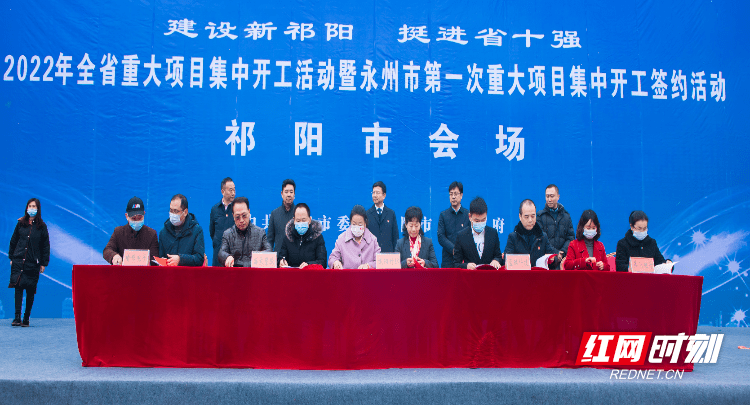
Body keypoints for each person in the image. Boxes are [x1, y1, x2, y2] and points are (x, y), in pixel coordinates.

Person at [8, 198, 50, 327]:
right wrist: (12, 257)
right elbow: (13, 241)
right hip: (18, 261)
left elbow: (45, 246)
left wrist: (43, 263)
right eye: (30, 206)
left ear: (38, 209)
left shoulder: (42, 227)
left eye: (34, 206)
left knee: (31, 290)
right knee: (18, 288)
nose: (32, 208)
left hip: (33, 263)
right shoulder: (20, 223)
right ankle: (17, 318)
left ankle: (26, 318)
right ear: (26, 208)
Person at [103, 196, 159, 265]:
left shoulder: (151, 234)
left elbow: (155, 258)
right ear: (127, 216)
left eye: (139, 218)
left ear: (144, 214)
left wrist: (149, 262)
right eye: (133, 218)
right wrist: (114, 256)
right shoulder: (118, 232)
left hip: (144, 271)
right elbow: (107, 251)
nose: (137, 221)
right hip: (123, 271)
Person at [505, 199, 560, 268]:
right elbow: (507, 261)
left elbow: (551, 258)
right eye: (526, 217)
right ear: (520, 216)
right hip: (520, 274)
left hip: (538, 274)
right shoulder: (513, 237)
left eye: (533, 216)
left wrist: (553, 259)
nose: (530, 220)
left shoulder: (543, 236)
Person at [219, 197, 271, 267]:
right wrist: (227, 257)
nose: (241, 220)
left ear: (249, 212)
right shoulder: (228, 234)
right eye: (237, 217)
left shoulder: (260, 233)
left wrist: (257, 258)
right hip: (235, 272)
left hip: (254, 271)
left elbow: (269, 250)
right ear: (233, 216)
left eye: (244, 216)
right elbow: (221, 253)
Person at [452, 197, 503, 269]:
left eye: (483, 220)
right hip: (470, 275)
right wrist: (466, 266)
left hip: (489, 274)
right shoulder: (461, 236)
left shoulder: (493, 233)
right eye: (477, 221)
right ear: (470, 217)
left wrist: (496, 260)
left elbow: (498, 256)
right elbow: (456, 264)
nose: (480, 223)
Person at [158, 194, 205, 266]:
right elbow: (160, 256)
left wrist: (181, 259)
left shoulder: (196, 231)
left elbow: (199, 258)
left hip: (188, 272)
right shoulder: (163, 232)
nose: (172, 214)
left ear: (185, 212)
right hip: (169, 272)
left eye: (176, 211)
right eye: (171, 210)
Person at [329, 205, 381, 269]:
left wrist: (368, 266)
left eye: (360, 224)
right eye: (354, 224)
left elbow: (379, 262)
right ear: (350, 223)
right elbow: (332, 258)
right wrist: (335, 262)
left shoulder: (373, 240)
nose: (357, 227)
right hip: (347, 275)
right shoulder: (342, 239)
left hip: (367, 275)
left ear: (365, 224)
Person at [278, 203, 327, 268]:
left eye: (304, 220)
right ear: (294, 220)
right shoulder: (288, 237)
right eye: (298, 221)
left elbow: (322, 262)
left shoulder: (317, 237)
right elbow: (281, 257)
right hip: (292, 273)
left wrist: (309, 265)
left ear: (309, 220)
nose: (301, 223)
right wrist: (281, 261)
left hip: (310, 273)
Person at [536, 184, 575, 262]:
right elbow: (540, 239)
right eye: (547, 196)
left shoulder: (566, 216)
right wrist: (556, 253)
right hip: (547, 259)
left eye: (552, 196)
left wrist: (562, 252)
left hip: (564, 259)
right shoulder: (540, 216)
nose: (549, 199)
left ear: (558, 197)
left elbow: (570, 238)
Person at [437, 181, 471, 268]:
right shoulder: (443, 215)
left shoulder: (468, 215)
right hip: (448, 260)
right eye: (451, 194)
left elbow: (471, 236)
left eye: (456, 194)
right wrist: (453, 249)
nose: (453, 197)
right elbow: (441, 236)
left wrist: (461, 251)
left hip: (464, 260)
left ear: (461, 195)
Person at [209, 177, 236, 266]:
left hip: (233, 256)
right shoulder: (215, 209)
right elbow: (212, 231)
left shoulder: (236, 209)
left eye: (234, 190)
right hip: (218, 255)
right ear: (222, 191)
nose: (233, 193)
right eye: (230, 190)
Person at [366, 181, 399, 252]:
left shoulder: (391, 213)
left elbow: (395, 237)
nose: (374, 195)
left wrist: (395, 254)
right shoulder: (367, 214)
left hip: (388, 255)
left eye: (377, 193)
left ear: (384, 195)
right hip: (372, 254)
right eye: (373, 192)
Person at [267, 179, 296, 252]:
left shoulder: (299, 213)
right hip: (279, 257)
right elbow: (270, 240)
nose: (289, 194)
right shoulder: (274, 214)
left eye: (291, 192)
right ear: (282, 194)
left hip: (295, 257)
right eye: (286, 192)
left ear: (294, 194)